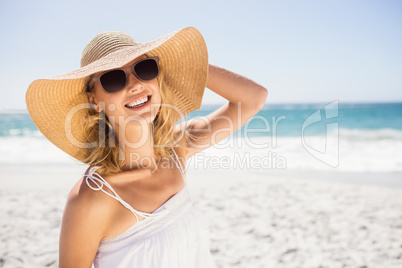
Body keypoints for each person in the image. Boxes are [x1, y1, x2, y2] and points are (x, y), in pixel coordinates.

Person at [25, 26, 268, 268]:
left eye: (144, 69)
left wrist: (184, 63)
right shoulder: (92, 198)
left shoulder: (176, 149)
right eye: (113, 78)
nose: (135, 84)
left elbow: (253, 98)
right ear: (94, 101)